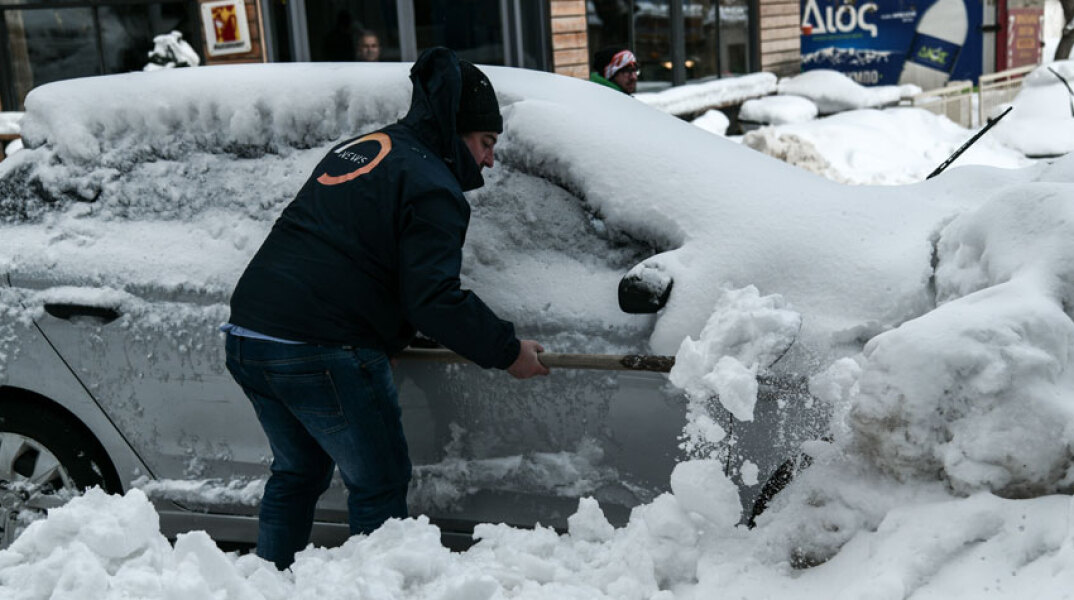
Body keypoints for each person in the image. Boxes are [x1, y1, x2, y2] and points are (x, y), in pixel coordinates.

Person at [222, 46, 549, 570]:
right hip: (320, 348)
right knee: (379, 484)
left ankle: (269, 581)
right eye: (487, 142)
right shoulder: (435, 188)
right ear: (456, 126)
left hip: (249, 335)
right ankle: (376, 585)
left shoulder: (370, 147)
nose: (490, 159)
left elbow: (356, 251)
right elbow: (433, 297)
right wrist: (508, 352)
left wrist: (389, 336)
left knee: (298, 472)